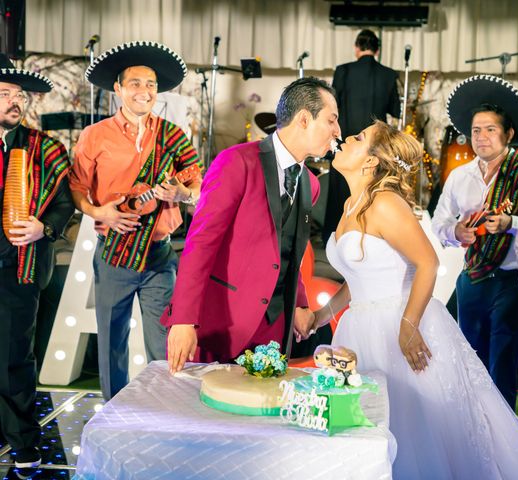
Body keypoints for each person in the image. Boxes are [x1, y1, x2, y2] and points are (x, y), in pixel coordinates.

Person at [309, 120, 518, 479]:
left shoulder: (384, 204)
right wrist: (321, 315)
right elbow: (358, 278)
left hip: (400, 325)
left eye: (359, 137)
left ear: (372, 162)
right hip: (359, 329)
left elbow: (428, 261)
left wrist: (408, 325)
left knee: (412, 428)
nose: (346, 137)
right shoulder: (351, 203)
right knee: (370, 428)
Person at [164, 77, 340, 373]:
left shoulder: (311, 183)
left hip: (274, 328)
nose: (337, 132)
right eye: (332, 120)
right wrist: (184, 319)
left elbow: (290, 252)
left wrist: (298, 304)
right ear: (304, 119)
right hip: (223, 322)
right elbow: (200, 244)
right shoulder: (236, 162)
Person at [69, 41, 203, 400]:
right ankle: (113, 416)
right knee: (112, 344)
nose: (144, 91)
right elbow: (77, 188)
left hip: (160, 256)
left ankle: (170, 415)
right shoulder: (94, 136)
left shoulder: (173, 135)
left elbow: (198, 185)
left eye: (150, 84)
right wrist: (99, 212)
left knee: (166, 346)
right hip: (113, 254)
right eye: (135, 83)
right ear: (118, 89)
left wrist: (181, 194)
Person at [431, 75, 518, 409]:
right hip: (473, 279)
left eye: (491, 129)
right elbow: (440, 222)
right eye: (476, 130)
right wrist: (457, 233)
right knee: (468, 358)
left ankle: (504, 434)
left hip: (511, 280)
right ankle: (471, 429)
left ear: (508, 134)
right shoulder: (459, 176)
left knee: (502, 364)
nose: (481, 137)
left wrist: (511, 224)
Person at [0, 54, 74, 468]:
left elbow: (65, 204)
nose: (15, 101)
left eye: (19, 95)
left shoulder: (45, 148)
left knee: (12, 359)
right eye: (5, 94)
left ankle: (24, 446)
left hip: (18, 267)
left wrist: (42, 229)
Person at [322, 28, 400, 245]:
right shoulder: (388, 74)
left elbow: (332, 107)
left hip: (346, 142)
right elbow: (396, 110)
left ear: (357, 48)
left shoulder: (343, 70)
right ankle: (369, 234)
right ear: (377, 50)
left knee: (340, 190)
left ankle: (335, 236)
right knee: (371, 187)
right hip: (374, 145)